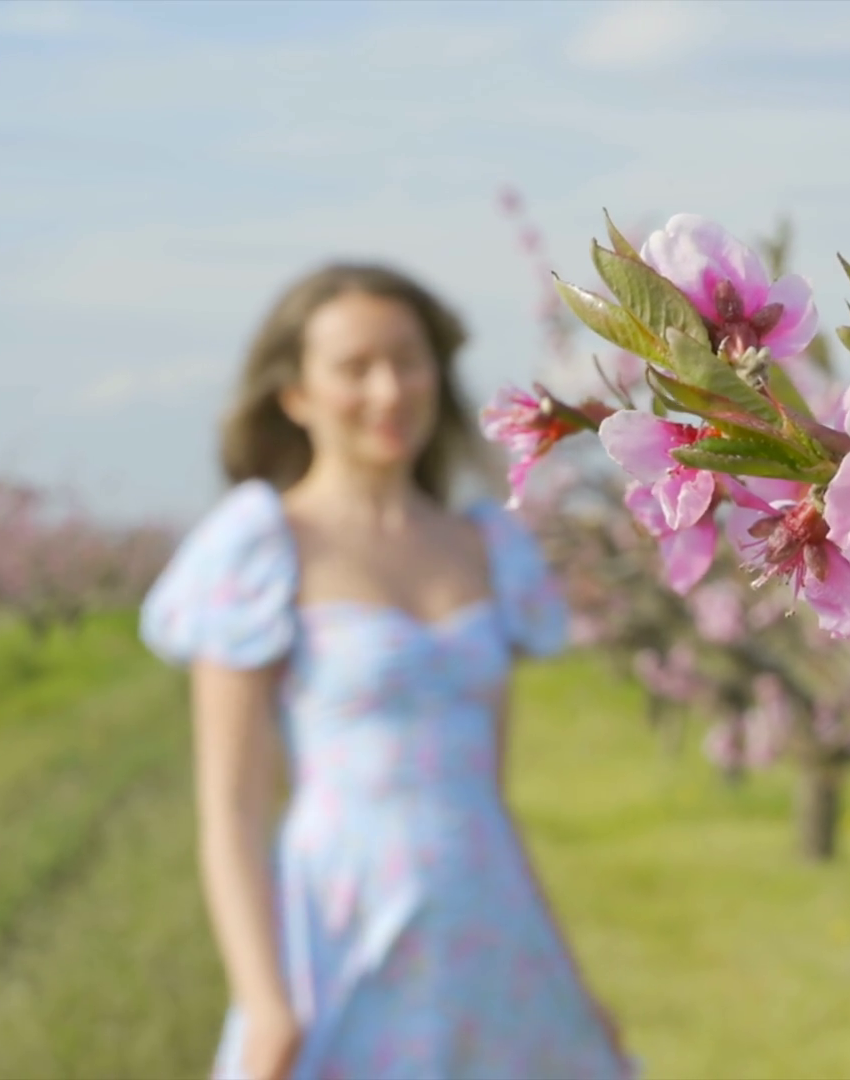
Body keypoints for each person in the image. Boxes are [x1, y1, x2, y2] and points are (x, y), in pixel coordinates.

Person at [138, 263, 633, 1080]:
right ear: (295, 394)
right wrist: (266, 1004)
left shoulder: (486, 546)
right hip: (344, 923)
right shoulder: (261, 545)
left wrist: (572, 983)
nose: (388, 389)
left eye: (407, 360)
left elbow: (489, 797)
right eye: (354, 367)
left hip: (490, 930)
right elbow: (231, 810)